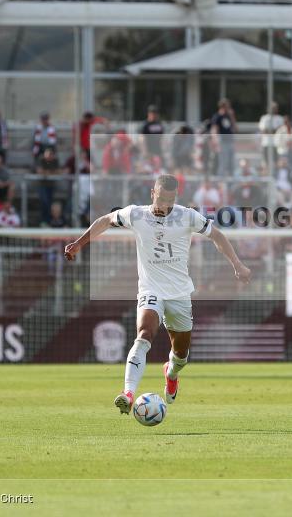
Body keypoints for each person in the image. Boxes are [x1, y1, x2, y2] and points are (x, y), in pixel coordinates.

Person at [64, 174, 252, 414]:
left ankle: (170, 373)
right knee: (144, 335)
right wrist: (79, 244)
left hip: (180, 294)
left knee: (181, 356)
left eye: (170, 200)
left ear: (176, 198)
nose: (164, 205)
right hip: (151, 289)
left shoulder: (187, 216)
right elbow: (105, 220)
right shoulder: (136, 214)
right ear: (153, 193)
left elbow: (216, 235)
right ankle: (128, 393)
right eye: (161, 198)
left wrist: (237, 264)